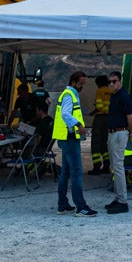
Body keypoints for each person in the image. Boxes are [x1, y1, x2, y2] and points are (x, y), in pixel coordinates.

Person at [53, 71, 96, 216]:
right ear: (74, 82)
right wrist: (78, 125)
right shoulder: (68, 95)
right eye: (81, 83)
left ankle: (63, 205)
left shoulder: (69, 94)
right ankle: (81, 207)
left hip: (67, 138)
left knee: (65, 172)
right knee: (77, 171)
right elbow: (66, 114)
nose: (82, 86)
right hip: (70, 137)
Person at [104, 71, 132, 214]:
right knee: (115, 167)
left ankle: (123, 201)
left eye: (114, 81)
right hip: (113, 133)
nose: (111, 84)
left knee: (118, 167)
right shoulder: (115, 96)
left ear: (119, 81)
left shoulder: (123, 96)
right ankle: (118, 198)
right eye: (109, 81)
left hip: (119, 132)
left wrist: (130, 131)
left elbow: (130, 116)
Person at [89, 74, 111, 175]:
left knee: (95, 143)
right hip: (109, 119)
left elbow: (99, 106)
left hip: (100, 119)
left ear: (99, 83)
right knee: (104, 143)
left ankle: (96, 167)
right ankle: (106, 166)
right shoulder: (111, 91)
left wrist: (92, 113)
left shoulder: (100, 91)